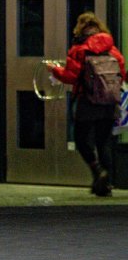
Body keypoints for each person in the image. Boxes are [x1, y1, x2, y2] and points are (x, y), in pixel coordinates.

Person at [48, 13, 125, 196]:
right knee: (103, 142)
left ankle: (98, 171)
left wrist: (54, 70)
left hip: (87, 102)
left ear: (80, 29)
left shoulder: (79, 49)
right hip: (108, 103)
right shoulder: (112, 50)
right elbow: (121, 74)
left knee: (82, 141)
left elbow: (70, 76)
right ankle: (106, 185)